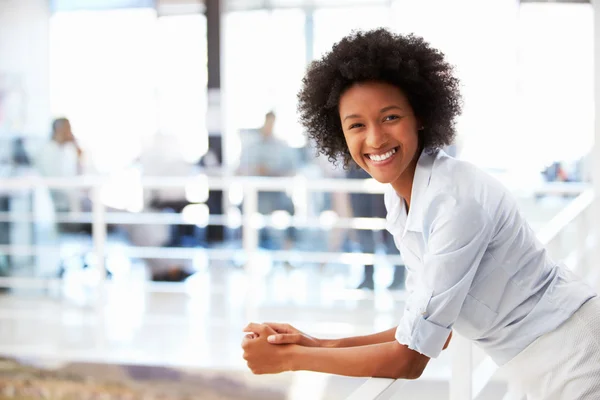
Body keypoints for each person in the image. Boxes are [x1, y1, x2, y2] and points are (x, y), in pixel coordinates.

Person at [241, 29, 600, 399]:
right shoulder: (403, 199)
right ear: (340, 134)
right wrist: (315, 343)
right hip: (539, 363)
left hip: (577, 356)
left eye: (390, 117)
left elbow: (411, 359)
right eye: (357, 125)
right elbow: (426, 329)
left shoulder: (455, 201)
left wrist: (292, 360)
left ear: (421, 117)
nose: (376, 139)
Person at [345, 166, 405, 290]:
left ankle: (398, 274)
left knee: (391, 222)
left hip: (382, 170)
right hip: (359, 170)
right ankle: (368, 276)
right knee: (364, 225)